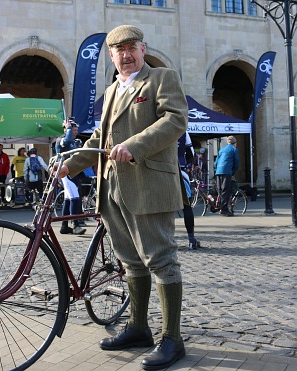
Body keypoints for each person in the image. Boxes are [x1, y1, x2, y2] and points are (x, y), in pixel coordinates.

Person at [56, 25, 188, 370]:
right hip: (112, 187)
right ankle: (138, 328)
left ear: (143, 49)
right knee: (129, 261)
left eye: (131, 48)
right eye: (118, 50)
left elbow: (175, 120)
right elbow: (101, 135)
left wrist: (134, 145)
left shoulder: (161, 79)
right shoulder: (114, 88)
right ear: (111, 56)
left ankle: (172, 338)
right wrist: (70, 165)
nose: (126, 55)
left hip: (149, 184)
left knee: (161, 258)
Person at [55, 118, 86, 235]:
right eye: (73, 130)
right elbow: (66, 141)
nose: (75, 132)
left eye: (76, 130)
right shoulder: (61, 140)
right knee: (74, 197)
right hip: (65, 173)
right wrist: (68, 128)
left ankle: (64, 226)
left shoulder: (74, 141)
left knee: (68, 200)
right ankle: (76, 225)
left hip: (74, 173)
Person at [178, 132, 200, 250]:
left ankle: (164, 240)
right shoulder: (183, 131)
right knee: (187, 206)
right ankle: (191, 239)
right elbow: (190, 153)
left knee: (163, 208)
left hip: (162, 172)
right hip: (180, 169)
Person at [214, 135, 239, 216]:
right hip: (227, 171)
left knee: (220, 190)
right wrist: (234, 171)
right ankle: (224, 210)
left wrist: (217, 169)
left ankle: (219, 206)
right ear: (235, 143)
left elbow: (216, 162)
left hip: (218, 171)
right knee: (226, 190)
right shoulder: (234, 149)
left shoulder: (221, 150)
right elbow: (236, 162)